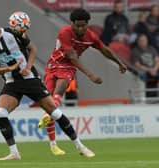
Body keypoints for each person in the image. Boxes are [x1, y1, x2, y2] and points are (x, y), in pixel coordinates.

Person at [0, 12, 96, 160]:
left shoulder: (12, 32)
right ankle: (14, 153)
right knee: (1, 112)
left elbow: (33, 49)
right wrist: (7, 69)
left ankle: (81, 146)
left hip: (30, 80)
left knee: (54, 112)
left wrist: (28, 66)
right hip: (11, 82)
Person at [38, 8, 127, 155]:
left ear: (87, 24)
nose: (80, 28)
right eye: (77, 25)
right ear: (72, 23)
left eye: (83, 25)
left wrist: (119, 62)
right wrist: (90, 75)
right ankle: (53, 145)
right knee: (49, 102)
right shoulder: (64, 32)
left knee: (60, 89)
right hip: (52, 66)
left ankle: (49, 115)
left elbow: (104, 49)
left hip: (68, 68)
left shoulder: (90, 36)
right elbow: (72, 55)